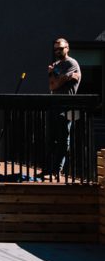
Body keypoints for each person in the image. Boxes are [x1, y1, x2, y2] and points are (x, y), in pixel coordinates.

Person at [44, 37, 81, 178]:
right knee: (51, 138)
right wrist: (64, 77)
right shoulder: (56, 64)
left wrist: (55, 74)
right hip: (54, 104)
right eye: (55, 49)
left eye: (60, 48)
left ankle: (57, 170)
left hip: (67, 105)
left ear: (67, 48)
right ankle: (49, 169)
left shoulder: (72, 63)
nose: (57, 51)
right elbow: (52, 86)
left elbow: (56, 83)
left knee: (63, 138)